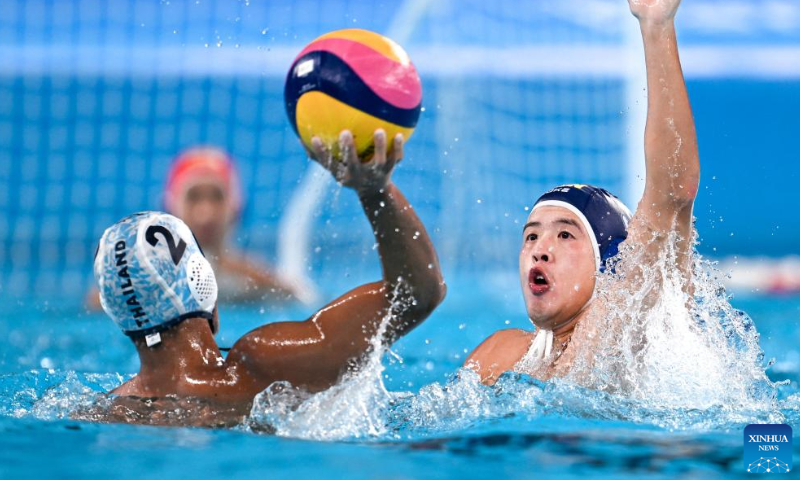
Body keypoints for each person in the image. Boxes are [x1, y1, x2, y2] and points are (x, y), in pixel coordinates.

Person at [89, 130, 446, 426]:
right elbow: (418, 294)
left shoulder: (104, 414)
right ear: (204, 286)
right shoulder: (261, 370)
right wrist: (375, 192)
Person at [465, 0, 700, 384]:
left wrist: (656, 25)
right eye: (531, 235)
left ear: (609, 263)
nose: (539, 248)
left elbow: (674, 193)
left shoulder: (623, 329)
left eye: (564, 234)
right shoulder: (501, 353)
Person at [163, 147, 303, 304]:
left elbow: (302, 301)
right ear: (172, 208)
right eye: (193, 197)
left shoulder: (262, 281)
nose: (205, 214)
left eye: (217, 197)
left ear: (235, 208)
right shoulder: (154, 278)